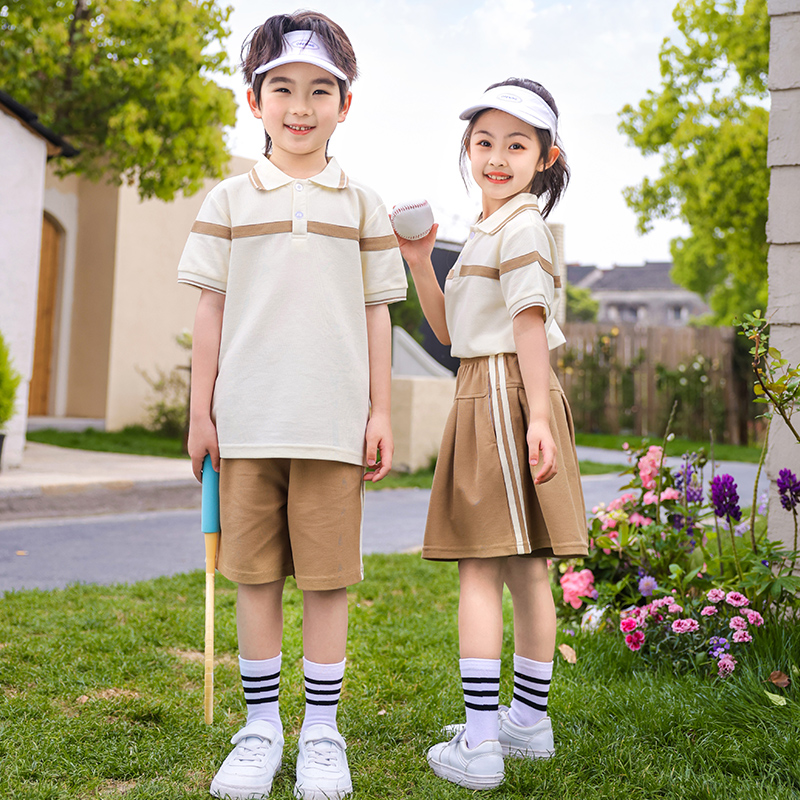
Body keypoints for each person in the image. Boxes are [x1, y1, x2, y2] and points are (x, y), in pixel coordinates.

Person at [177, 12, 406, 800]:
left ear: (347, 103)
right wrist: (200, 411)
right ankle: (260, 729)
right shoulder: (229, 199)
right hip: (246, 420)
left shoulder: (363, 205)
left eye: (319, 90)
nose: (300, 106)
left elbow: (379, 311)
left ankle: (322, 731)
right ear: (254, 99)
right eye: (283, 89)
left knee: (327, 582)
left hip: (334, 426)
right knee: (253, 578)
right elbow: (208, 310)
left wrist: (381, 412)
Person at [396, 78, 588, 790]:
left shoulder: (521, 226)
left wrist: (536, 415)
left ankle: (481, 746)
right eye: (484, 142)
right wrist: (420, 261)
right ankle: (526, 724)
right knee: (524, 566)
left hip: (504, 393)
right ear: (467, 150)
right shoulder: (490, 228)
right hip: (490, 387)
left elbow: (530, 322)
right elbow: (451, 334)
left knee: (483, 566)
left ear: (546, 156)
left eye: (516, 143)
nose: (497, 156)